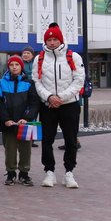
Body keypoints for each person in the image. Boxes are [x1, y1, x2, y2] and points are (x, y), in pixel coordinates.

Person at [33, 23, 85, 189]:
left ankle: (69, 172)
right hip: (48, 105)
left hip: (69, 104)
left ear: (60, 40)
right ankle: (49, 171)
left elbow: (78, 81)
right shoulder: (39, 58)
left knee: (70, 139)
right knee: (47, 140)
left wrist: (60, 97)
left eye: (55, 39)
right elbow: (37, 81)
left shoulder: (74, 57)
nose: (52, 42)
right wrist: (49, 97)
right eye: (49, 40)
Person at [0, 55, 40, 186]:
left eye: (17, 65)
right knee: (10, 149)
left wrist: (26, 118)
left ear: (21, 67)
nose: (14, 67)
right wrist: (5, 119)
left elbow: (34, 103)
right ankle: (11, 173)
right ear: (8, 67)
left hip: (25, 124)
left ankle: (24, 173)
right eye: (11, 65)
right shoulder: (1, 83)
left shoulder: (29, 83)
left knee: (26, 149)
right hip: (8, 124)